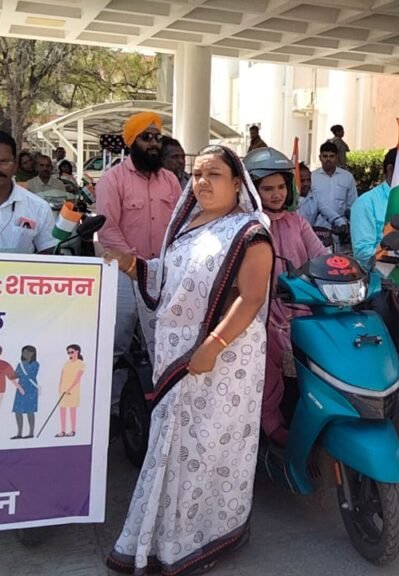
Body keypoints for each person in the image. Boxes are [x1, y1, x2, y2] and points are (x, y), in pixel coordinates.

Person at [103, 144, 273, 575]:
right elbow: (168, 278)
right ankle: (165, 536)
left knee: (209, 446)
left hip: (225, 361)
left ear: (237, 183)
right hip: (180, 356)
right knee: (175, 446)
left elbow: (251, 298)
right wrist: (128, 263)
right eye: (197, 174)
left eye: (213, 174)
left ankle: (204, 536)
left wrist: (213, 345)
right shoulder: (189, 226)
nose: (202, 182)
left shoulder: (250, 232)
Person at [245, 146, 328, 445]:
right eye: (267, 189)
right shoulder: (247, 225)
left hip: (300, 306)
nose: (276, 194)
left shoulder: (297, 221)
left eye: (281, 187)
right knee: (269, 354)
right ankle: (269, 422)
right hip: (259, 311)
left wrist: (343, 268)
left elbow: (321, 255)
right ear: (252, 191)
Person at [96, 112, 182, 366]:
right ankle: (113, 391)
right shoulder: (112, 179)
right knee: (116, 341)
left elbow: (181, 224)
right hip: (124, 272)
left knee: (164, 341)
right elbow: (108, 229)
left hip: (164, 272)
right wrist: (137, 266)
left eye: (157, 138)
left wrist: (160, 267)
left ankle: (157, 389)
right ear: (131, 141)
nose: (153, 143)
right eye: (146, 137)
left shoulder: (170, 180)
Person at [310, 141, 358, 232]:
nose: (328, 159)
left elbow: (353, 205)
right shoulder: (312, 177)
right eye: (325, 156)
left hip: (341, 229)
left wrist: (349, 225)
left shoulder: (347, 177)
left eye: (331, 156)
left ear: (336, 157)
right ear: (320, 157)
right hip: (317, 228)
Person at [56, 345, 85, 437]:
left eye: (72, 352)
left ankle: (72, 430)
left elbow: (77, 378)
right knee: (62, 409)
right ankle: (63, 431)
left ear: (77, 352)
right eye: (68, 352)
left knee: (72, 410)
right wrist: (60, 387)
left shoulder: (80, 363)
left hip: (73, 390)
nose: (70, 354)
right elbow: (62, 376)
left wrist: (69, 389)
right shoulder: (66, 363)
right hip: (63, 389)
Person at [12, 345, 39, 440]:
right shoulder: (20, 364)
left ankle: (31, 433)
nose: (26, 354)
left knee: (30, 411)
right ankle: (19, 433)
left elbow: (30, 375)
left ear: (33, 354)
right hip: (20, 387)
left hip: (31, 388)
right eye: (24, 352)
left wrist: (18, 374)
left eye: (28, 352)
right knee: (18, 411)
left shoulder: (35, 364)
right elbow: (15, 375)